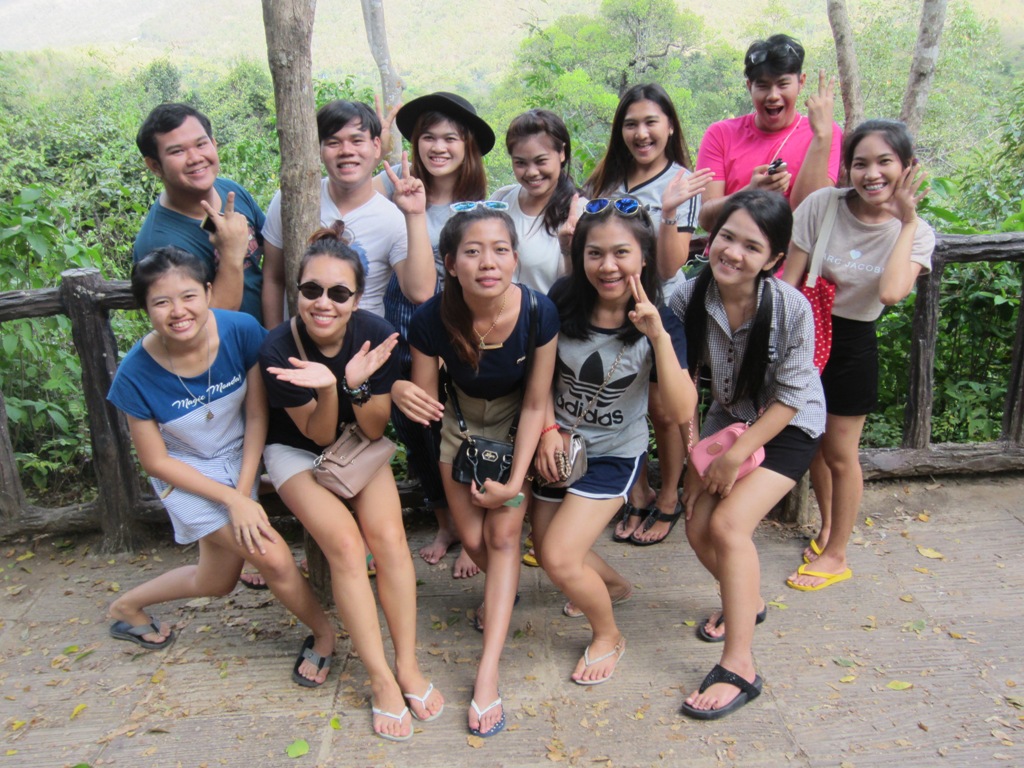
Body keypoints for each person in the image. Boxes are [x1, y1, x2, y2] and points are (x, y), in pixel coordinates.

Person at [105, 247, 335, 689]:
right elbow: (156, 461)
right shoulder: (133, 376)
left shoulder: (240, 331)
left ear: (209, 291)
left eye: (189, 296)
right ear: (145, 308)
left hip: (239, 460)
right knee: (274, 557)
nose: (178, 312)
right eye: (161, 302)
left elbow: (255, 417)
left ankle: (125, 608)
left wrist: (244, 490)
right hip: (186, 476)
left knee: (217, 581)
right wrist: (233, 500)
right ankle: (325, 636)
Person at [259, 224, 443, 741]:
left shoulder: (372, 331)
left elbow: (374, 427)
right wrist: (328, 388)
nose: (323, 302)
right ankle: (380, 678)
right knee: (345, 545)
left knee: (390, 541)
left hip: (354, 443)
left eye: (339, 293)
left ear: (357, 297)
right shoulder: (279, 348)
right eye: (311, 290)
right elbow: (314, 432)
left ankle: (406, 664)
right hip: (297, 450)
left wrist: (355, 385)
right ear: (296, 291)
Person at [393, 205, 558, 737]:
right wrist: (400, 391)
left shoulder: (538, 312)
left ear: (515, 257)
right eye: (472, 251)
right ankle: (500, 595)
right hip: (459, 425)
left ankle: (488, 675)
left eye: (500, 249)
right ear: (450, 263)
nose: (488, 261)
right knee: (474, 537)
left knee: (505, 537)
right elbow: (427, 402)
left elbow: (537, 403)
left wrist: (515, 481)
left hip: (516, 422)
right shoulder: (430, 318)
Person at [671, 190, 825, 719]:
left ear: (774, 259)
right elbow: (681, 383)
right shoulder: (687, 297)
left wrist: (735, 458)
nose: (732, 252)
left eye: (751, 247)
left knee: (729, 526)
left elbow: (790, 398)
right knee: (695, 522)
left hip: (788, 424)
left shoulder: (789, 306)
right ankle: (748, 601)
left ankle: (740, 664)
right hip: (726, 421)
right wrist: (698, 455)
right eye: (726, 237)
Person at [531, 196, 697, 685]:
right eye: (595, 253)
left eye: (622, 253)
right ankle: (616, 585)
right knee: (547, 549)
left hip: (613, 453)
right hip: (557, 446)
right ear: (580, 256)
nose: (608, 266)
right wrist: (544, 433)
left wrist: (657, 336)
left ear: (644, 257)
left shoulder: (662, 321)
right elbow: (536, 383)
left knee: (560, 557)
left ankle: (607, 634)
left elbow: (683, 410)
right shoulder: (560, 301)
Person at [782, 119, 934, 590]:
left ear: (907, 168)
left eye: (885, 162)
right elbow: (788, 280)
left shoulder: (918, 233)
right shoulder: (821, 206)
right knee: (813, 445)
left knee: (842, 453)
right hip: (805, 331)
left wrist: (906, 220)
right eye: (860, 163)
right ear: (846, 167)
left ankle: (838, 553)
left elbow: (890, 293)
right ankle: (827, 528)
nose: (872, 174)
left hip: (853, 342)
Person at [374, 91, 495, 579]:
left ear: (467, 146)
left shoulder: (484, 205)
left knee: (470, 432)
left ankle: (476, 530)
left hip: (465, 338)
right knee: (418, 432)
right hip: (407, 331)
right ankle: (446, 523)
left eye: (450, 137)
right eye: (428, 137)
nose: (438, 147)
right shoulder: (391, 196)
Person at [584, 83, 711, 546]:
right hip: (611, 309)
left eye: (650, 122)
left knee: (664, 410)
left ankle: (669, 497)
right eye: (631, 124)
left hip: (661, 310)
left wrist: (671, 211)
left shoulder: (683, 180)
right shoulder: (606, 181)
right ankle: (635, 488)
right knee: (621, 401)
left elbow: (669, 265)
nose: (641, 133)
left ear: (670, 126)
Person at [261, 99, 437, 320]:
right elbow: (273, 278)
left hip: (363, 345)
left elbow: (420, 293)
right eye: (333, 142)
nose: (346, 151)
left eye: (356, 140)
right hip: (296, 343)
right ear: (320, 149)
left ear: (376, 146)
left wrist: (415, 215)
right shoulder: (290, 200)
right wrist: (274, 340)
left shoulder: (391, 218)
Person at [133, 103, 278, 326]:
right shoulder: (158, 243)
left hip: (268, 339)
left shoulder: (231, 191)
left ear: (214, 144)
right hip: (224, 355)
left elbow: (274, 256)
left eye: (201, 144)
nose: (195, 158)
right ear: (154, 166)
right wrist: (230, 254)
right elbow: (203, 324)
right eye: (177, 151)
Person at [696, 34, 842, 232]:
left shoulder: (825, 133)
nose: (773, 96)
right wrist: (750, 193)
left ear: (801, 82)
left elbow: (811, 215)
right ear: (750, 86)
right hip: (732, 257)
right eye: (763, 86)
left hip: (793, 261)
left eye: (783, 84)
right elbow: (706, 219)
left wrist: (822, 136)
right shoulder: (720, 134)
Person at [490, 109, 582, 294]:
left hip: (549, 320)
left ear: (561, 153)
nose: (531, 172)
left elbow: (579, 290)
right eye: (520, 163)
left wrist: (569, 251)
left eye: (541, 161)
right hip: (498, 318)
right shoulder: (501, 200)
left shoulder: (580, 212)